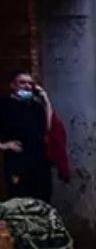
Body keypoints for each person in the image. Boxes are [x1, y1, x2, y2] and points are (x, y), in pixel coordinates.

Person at [0, 71, 54, 202]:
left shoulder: (35, 106)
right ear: (13, 85)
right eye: (22, 82)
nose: (27, 86)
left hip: (39, 160)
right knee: (20, 198)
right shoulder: (4, 104)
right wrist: (4, 145)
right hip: (17, 161)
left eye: (30, 83)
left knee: (42, 197)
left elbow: (48, 127)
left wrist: (46, 101)